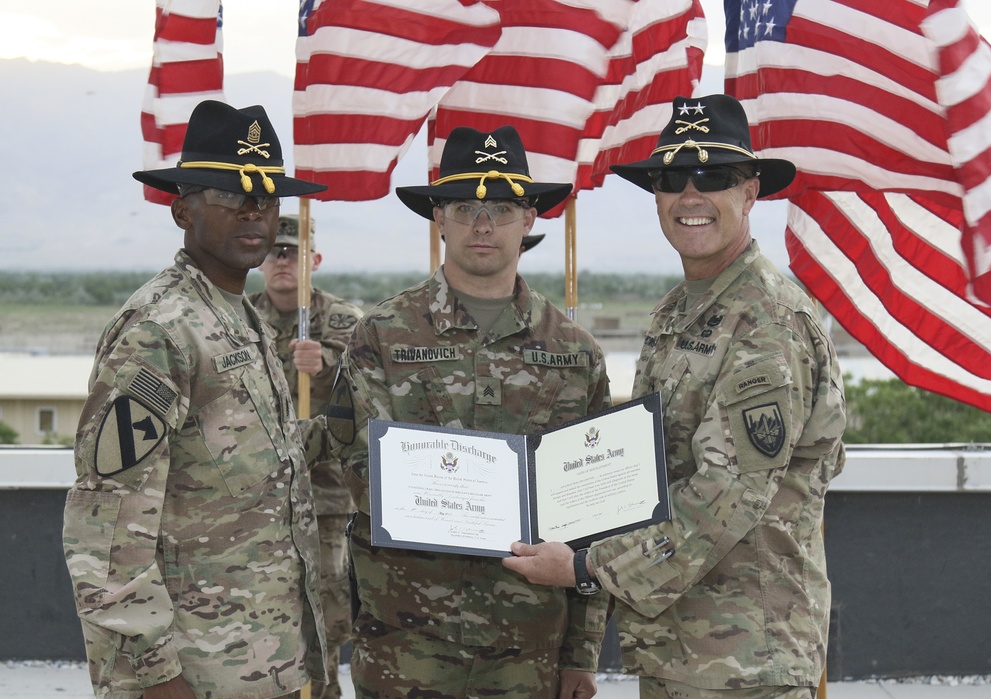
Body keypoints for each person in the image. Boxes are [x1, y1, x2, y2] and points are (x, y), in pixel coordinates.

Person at [503, 94, 847, 699]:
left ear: (750, 193)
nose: (690, 195)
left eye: (714, 176)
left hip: (744, 658)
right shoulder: (676, 315)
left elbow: (728, 493)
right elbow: (645, 469)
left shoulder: (767, 322)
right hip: (678, 648)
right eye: (671, 178)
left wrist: (586, 567)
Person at [63, 100, 334, 699]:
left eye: (265, 199)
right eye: (229, 196)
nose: (252, 212)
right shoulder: (159, 330)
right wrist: (157, 677)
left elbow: (249, 464)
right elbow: (106, 527)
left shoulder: (238, 314)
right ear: (181, 209)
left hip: (265, 657)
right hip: (193, 671)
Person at [333, 125, 613, 699]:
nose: (483, 225)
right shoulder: (381, 336)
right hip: (405, 645)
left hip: (528, 649)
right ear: (438, 216)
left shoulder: (574, 352)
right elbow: (362, 472)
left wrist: (581, 653)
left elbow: (593, 512)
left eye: (503, 208)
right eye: (465, 207)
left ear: (530, 217)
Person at [250, 215, 363, 699]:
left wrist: (326, 364)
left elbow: (367, 388)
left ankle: (325, 687)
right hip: (259, 487)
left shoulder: (341, 320)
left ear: (312, 261)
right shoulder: (240, 316)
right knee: (266, 597)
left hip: (326, 490)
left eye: (293, 252)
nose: (282, 261)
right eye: (275, 251)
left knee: (330, 598)